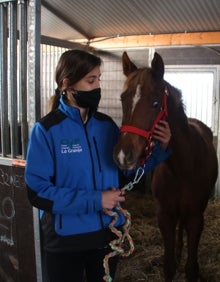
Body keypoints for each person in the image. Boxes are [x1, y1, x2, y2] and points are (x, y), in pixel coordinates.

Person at [25, 49, 172, 282]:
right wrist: (97, 199)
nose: (97, 87)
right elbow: (38, 192)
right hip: (65, 241)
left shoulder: (106, 126)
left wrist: (160, 150)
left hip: (107, 236)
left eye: (99, 79)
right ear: (67, 84)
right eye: (90, 80)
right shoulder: (46, 130)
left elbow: (124, 174)